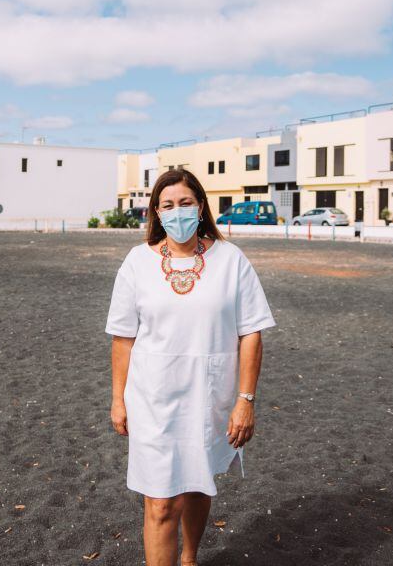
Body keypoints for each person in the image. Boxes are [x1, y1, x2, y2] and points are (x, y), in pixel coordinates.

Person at [106, 168, 275, 566]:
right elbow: (123, 337)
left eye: (185, 203)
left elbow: (251, 332)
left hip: (209, 396)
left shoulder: (230, 259)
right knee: (161, 502)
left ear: (200, 207)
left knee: (200, 483)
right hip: (151, 399)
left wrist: (245, 399)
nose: (177, 212)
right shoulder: (136, 262)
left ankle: (190, 559)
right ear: (155, 212)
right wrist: (118, 399)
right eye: (168, 205)